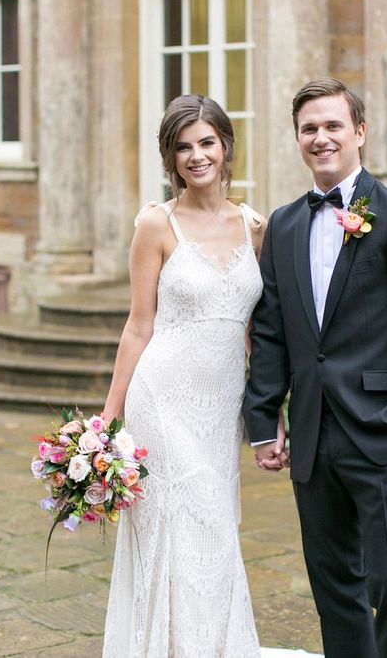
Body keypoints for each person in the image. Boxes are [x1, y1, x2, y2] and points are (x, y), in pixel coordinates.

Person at [244, 78, 387, 658]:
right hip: (312, 436)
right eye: (309, 128)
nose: (321, 138)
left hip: (386, 432)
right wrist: (264, 419)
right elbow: (271, 331)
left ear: (359, 132)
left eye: (333, 125)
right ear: (297, 139)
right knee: (333, 586)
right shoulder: (284, 224)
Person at [100, 94, 277, 657]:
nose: (196, 156)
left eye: (206, 142)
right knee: (179, 525)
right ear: (170, 157)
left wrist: (267, 415)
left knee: (216, 531)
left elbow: (257, 333)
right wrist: (108, 417)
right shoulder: (158, 223)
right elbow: (137, 326)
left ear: (225, 147)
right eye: (183, 147)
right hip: (163, 398)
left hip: (221, 403)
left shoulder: (256, 228)